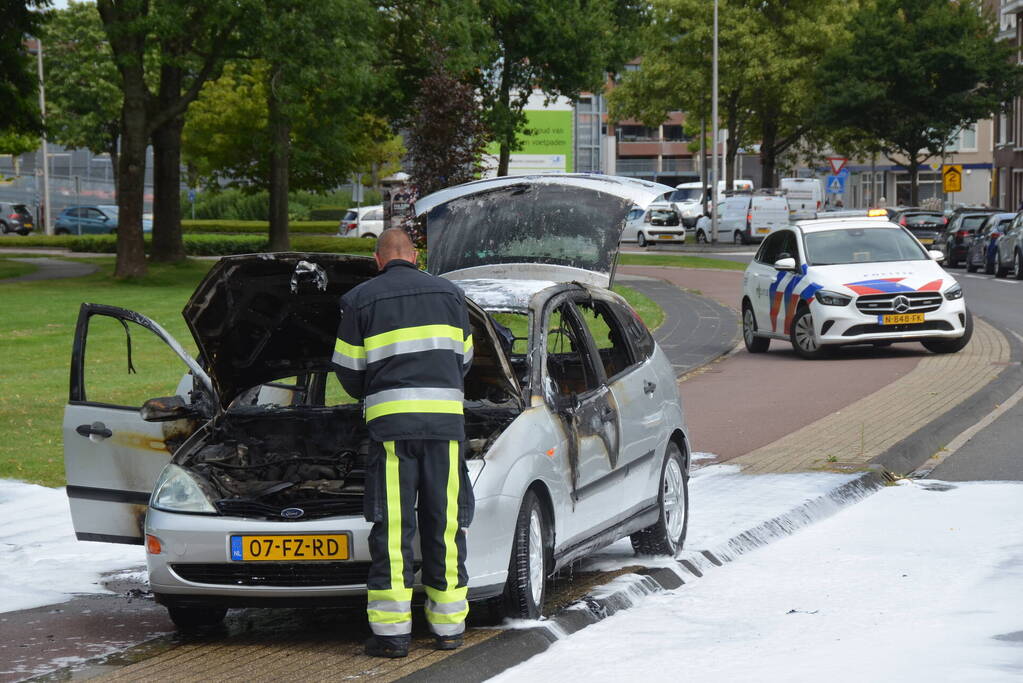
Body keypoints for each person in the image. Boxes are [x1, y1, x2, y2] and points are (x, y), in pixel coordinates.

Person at [332, 228, 474, 659]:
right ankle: (449, 629)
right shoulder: (451, 295)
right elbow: (464, 359)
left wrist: (376, 393)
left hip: (392, 431)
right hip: (445, 430)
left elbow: (348, 370)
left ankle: (392, 636)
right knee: (444, 526)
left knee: (394, 532)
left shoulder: (359, 300)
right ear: (415, 256)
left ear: (378, 260)